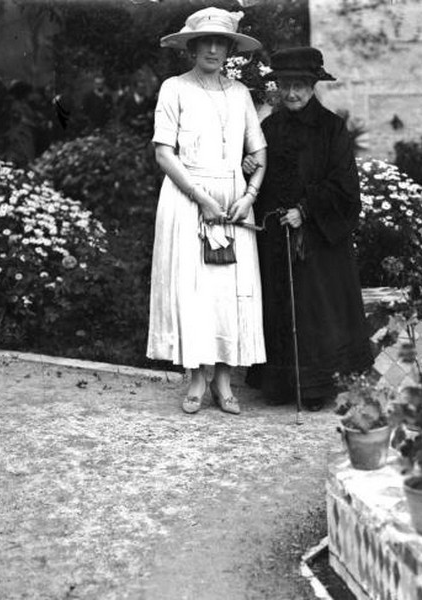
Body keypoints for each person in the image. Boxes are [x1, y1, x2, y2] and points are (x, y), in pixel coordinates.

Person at [147, 7, 267, 416]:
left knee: (229, 293)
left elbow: (259, 151)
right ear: (192, 47)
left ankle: (224, 380)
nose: (213, 49)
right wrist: (201, 198)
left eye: (221, 43)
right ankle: (197, 377)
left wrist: (249, 196)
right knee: (193, 291)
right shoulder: (174, 89)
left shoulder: (240, 93)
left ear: (230, 49)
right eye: (206, 42)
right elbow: (164, 153)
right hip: (187, 197)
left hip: (233, 202)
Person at [244, 47, 373, 411]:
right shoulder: (269, 128)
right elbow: (259, 178)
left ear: (313, 85)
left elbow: (345, 186)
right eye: (285, 85)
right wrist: (247, 165)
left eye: (299, 85)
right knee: (280, 305)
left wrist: (306, 209)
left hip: (318, 241)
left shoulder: (332, 129)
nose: (291, 93)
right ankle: (279, 384)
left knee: (315, 310)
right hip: (276, 238)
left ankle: (315, 388)